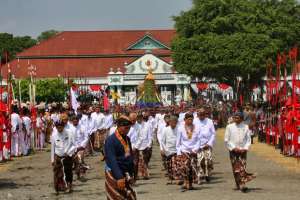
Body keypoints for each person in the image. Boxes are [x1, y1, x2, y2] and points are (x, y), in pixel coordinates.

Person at [104, 116, 136, 200]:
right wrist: (119, 177)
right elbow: (112, 160)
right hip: (114, 173)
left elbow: (130, 156)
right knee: (116, 197)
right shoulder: (110, 141)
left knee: (131, 197)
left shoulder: (127, 138)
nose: (128, 130)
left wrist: (132, 173)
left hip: (126, 172)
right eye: (126, 128)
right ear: (119, 126)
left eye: (129, 128)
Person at [224, 112, 256, 193]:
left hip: (243, 151)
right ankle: (238, 183)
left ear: (242, 119)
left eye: (238, 118)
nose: (236, 119)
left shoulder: (245, 127)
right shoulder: (229, 127)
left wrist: (245, 148)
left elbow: (248, 139)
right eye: (235, 117)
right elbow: (227, 140)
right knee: (235, 168)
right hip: (233, 151)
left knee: (242, 167)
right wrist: (233, 148)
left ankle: (242, 184)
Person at [51, 120, 77, 194]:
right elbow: (52, 148)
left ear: (63, 126)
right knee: (57, 172)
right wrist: (52, 159)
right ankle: (57, 188)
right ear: (56, 127)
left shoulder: (69, 132)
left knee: (68, 172)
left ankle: (69, 186)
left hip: (67, 156)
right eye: (58, 127)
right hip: (58, 156)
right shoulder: (54, 135)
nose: (59, 129)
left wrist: (68, 152)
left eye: (61, 127)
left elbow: (74, 145)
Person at [176, 113, 200, 191]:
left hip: (193, 151)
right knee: (185, 168)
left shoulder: (196, 128)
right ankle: (186, 183)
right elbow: (178, 142)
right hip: (184, 151)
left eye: (191, 119)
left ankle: (190, 184)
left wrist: (195, 149)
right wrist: (179, 152)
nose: (190, 121)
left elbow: (198, 140)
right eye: (188, 119)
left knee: (192, 168)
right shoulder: (180, 128)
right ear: (185, 120)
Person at [194, 108, 216, 184]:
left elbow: (213, 133)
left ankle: (207, 174)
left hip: (207, 144)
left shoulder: (209, 121)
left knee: (208, 161)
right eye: (200, 115)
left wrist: (209, 143)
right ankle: (199, 176)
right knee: (199, 161)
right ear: (197, 115)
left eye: (203, 114)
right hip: (198, 145)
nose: (202, 116)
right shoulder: (194, 121)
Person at [161, 115, 179, 184]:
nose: (173, 124)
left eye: (175, 123)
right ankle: (170, 175)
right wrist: (163, 149)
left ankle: (176, 176)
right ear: (170, 122)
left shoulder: (179, 129)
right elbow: (162, 141)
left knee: (176, 164)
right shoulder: (165, 129)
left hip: (177, 149)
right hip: (168, 150)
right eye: (172, 122)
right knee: (169, 164)